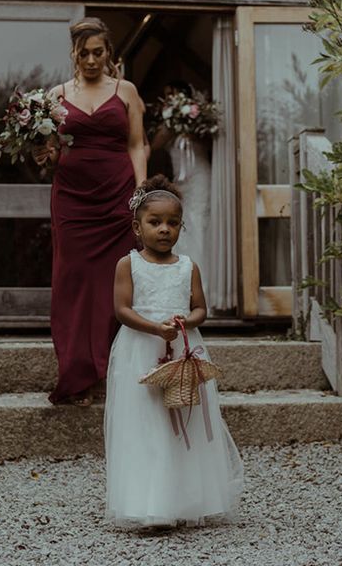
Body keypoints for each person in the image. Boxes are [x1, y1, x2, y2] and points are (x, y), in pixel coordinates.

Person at [104, 174, 243, 527]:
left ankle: (185, 499)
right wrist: (154, 328)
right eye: (155, 222)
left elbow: (201, 309)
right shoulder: (128, 264)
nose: (164, 229)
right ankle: (150, 503)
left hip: (182, 348)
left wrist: (186, 322)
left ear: (182, 226)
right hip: (141, 348)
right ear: (137, 227)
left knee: (185, 424)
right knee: (146, 422)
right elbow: (121, 310)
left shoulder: (187, 266)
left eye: (173, 223)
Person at [35, 16, 147, 406]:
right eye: (84, 53)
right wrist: (45, 153)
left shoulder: (126, 91)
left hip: (117, 197)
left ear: (108, 52)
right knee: (73, 281)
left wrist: (141, 191)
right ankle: (76, 373)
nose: (91, 59)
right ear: (74, 54)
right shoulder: (56, 95)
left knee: (114, 284)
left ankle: (111, 371)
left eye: (98, 52)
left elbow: (137, 144)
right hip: (72, 200)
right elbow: (51, 149)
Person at [148, 81, 212, 298]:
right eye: (166, 95)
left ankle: (206, 289)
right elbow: (154, 145)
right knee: (181, 228)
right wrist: (173, 121)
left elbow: (212, 140)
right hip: (179, 182)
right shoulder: (167, 123)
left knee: (200, 225)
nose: (168, 99)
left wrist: (190, 124)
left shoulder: (200, 120)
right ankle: (181, 289)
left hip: (200, 177)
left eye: (172, 94)